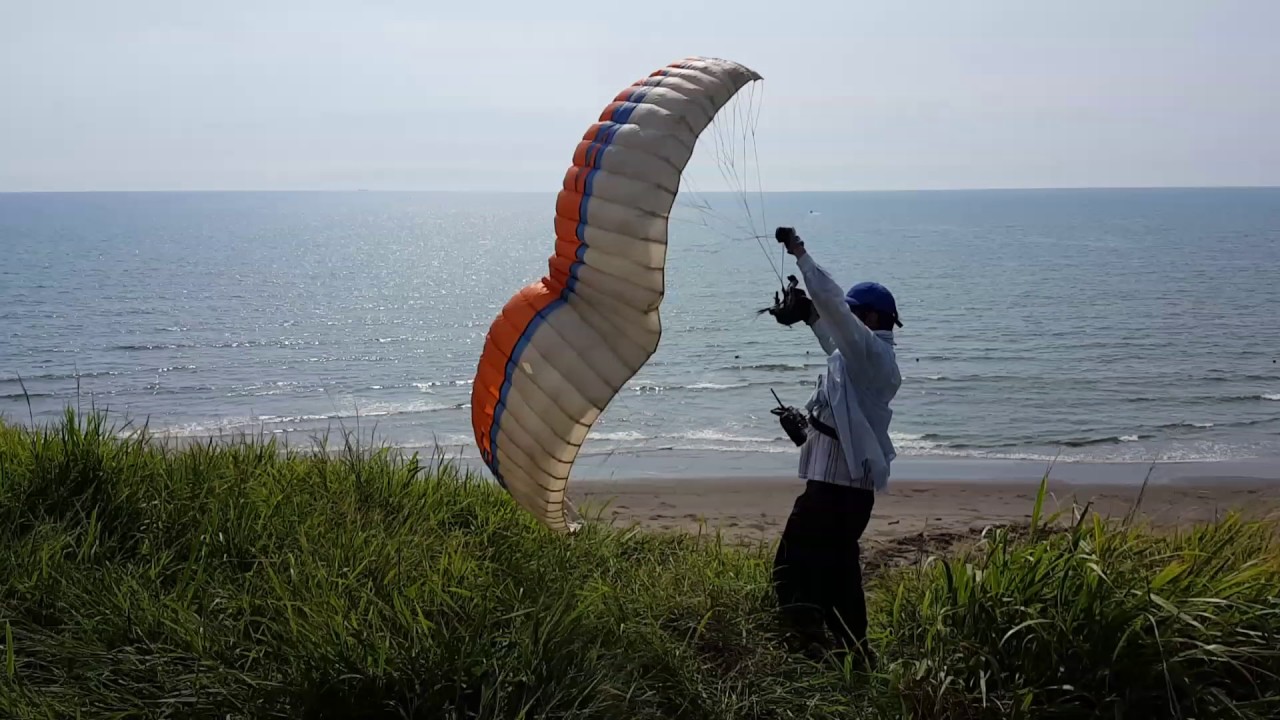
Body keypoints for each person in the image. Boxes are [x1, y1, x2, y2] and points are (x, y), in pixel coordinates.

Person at [765, 227, 903, 666]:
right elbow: (832, 339)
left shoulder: (873, 357)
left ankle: (805, 644)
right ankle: (854, 655)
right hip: (839, 487)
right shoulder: (858, 357)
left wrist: (799, 253)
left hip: (836, 492)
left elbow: (833, 312)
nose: (847, 318)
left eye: (854, 313)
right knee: (838, 573)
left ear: (872, 319)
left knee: (793, 564)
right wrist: (805, 431)